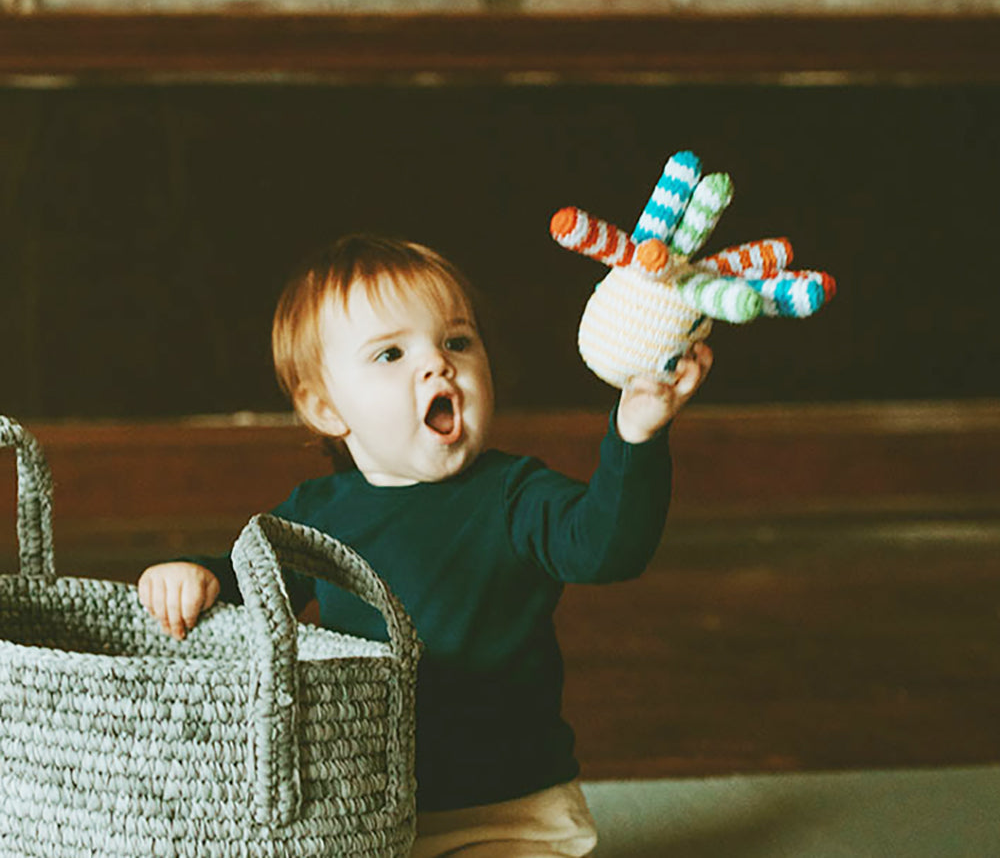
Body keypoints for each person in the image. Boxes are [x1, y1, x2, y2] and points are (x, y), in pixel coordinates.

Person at [138, 234, 713, 857]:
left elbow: (609, 548)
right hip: (360, 807)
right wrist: (198, 575)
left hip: (508, 809)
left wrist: (636, 437)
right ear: (326, 407)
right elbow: (252, 596)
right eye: (390, 354)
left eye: (457, 342)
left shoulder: (513, 494)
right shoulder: (315, 516)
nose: (438, 365)